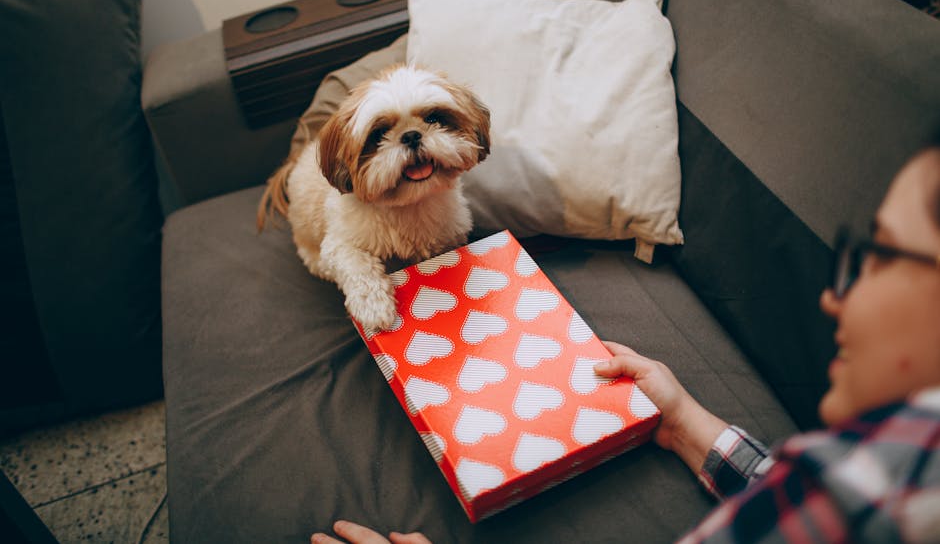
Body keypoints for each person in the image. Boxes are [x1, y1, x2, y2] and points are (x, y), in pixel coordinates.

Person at [312, 139, 940, 544]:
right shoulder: (881, 471)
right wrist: (684, 419)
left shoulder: (888, 482)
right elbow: (799, 500)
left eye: (881, 257)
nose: (836, 296)